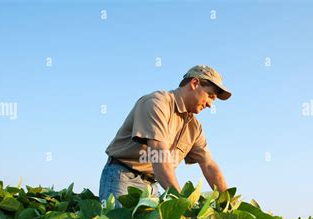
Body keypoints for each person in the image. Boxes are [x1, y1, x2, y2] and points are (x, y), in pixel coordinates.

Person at [99, 65, 232, 207]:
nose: (211, 104)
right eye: (210, 96)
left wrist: (228, 204)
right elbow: (159, 156)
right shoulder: (157, 103)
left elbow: (209, 165)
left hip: (153, 185)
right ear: (194, 83)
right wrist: (182, 203)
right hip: (123, 178)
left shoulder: (194, 127)